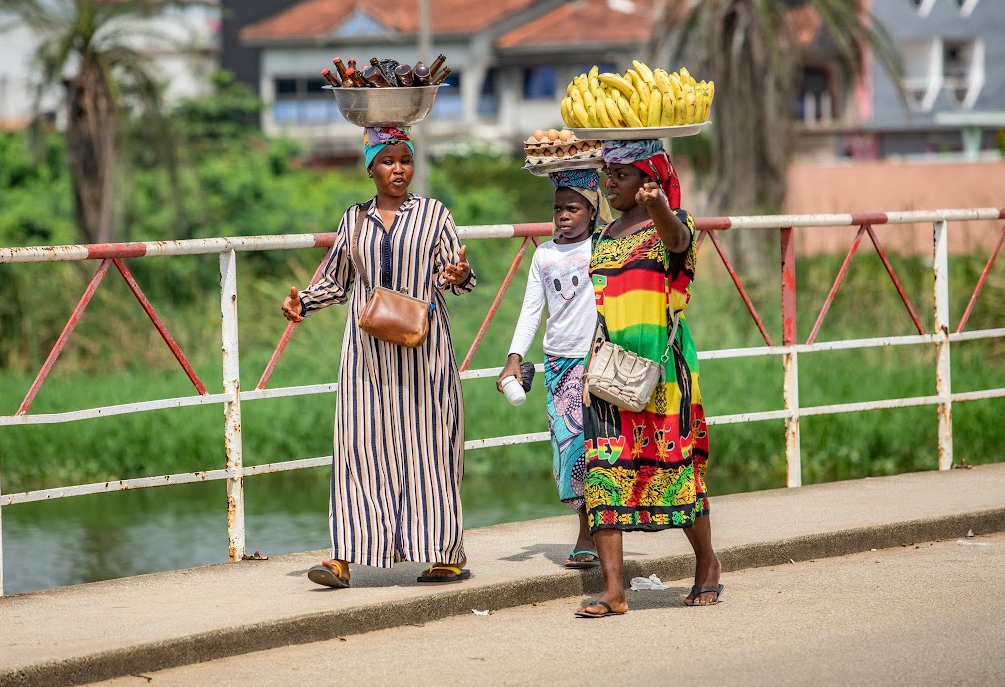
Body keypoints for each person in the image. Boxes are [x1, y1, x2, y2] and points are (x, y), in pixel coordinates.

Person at [281, 125, 475, 588]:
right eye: (387, 160)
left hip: (424, 351)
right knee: (358, 443)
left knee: (430, 446)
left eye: (404, 159)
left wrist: (459, 272)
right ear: (370, 166)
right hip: (366, 352)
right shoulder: (354, 219)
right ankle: (343, 556)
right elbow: (337, 277)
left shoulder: (434, 214)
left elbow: (460, 278)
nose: (398, 169)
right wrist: (302, 303)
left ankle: (445, 553)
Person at [574, 138, 721, 618]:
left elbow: (679, 244)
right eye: (608, 174)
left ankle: (708, 565)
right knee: (602, 475)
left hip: (663, 374)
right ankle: (614, 589)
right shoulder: (604, 236)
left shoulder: (672, 228)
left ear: (646, 180)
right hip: (609, 374)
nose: (609, 183)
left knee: (678, 475)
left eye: (620, 174)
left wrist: (659, 205)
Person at [497, 168, 609, 569]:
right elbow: (531, 310)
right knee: (571, 450)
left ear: (592, 213)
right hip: (560, 363)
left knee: (603, 449)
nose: (563, 215)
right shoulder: (543, 255)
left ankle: (600, 532)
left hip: (599, 360)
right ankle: (587, 531)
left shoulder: (604, 249)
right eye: (558, 208)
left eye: (573, 208)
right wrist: (514, 356)